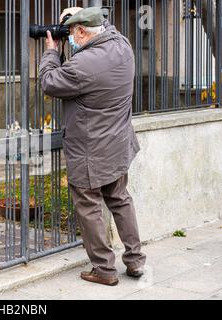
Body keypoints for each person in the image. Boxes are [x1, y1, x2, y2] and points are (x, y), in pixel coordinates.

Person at [39, 7, 146, 286]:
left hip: (90, 151)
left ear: (83, 32)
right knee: (120, 199)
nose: (70, 38)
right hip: (119, 145)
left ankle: (104, 270)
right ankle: (135, 260)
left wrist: (51, 51)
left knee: (89, 207)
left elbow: (49, 83)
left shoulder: (83, 65)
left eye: (73, 32)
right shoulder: (123, 46)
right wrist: (82, 13)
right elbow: (107, 27)